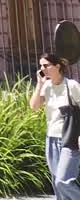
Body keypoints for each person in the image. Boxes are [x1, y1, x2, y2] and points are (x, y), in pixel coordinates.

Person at [31, 53, 80, 200]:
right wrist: (39, 83)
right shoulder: (46, 86)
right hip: (51, 139)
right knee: (56, 182)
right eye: (40, 66)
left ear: (57, 66)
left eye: (46, 65)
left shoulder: (71, 86)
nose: (42, 69)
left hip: (70, 139)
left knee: (62, 181)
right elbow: (34, 106)